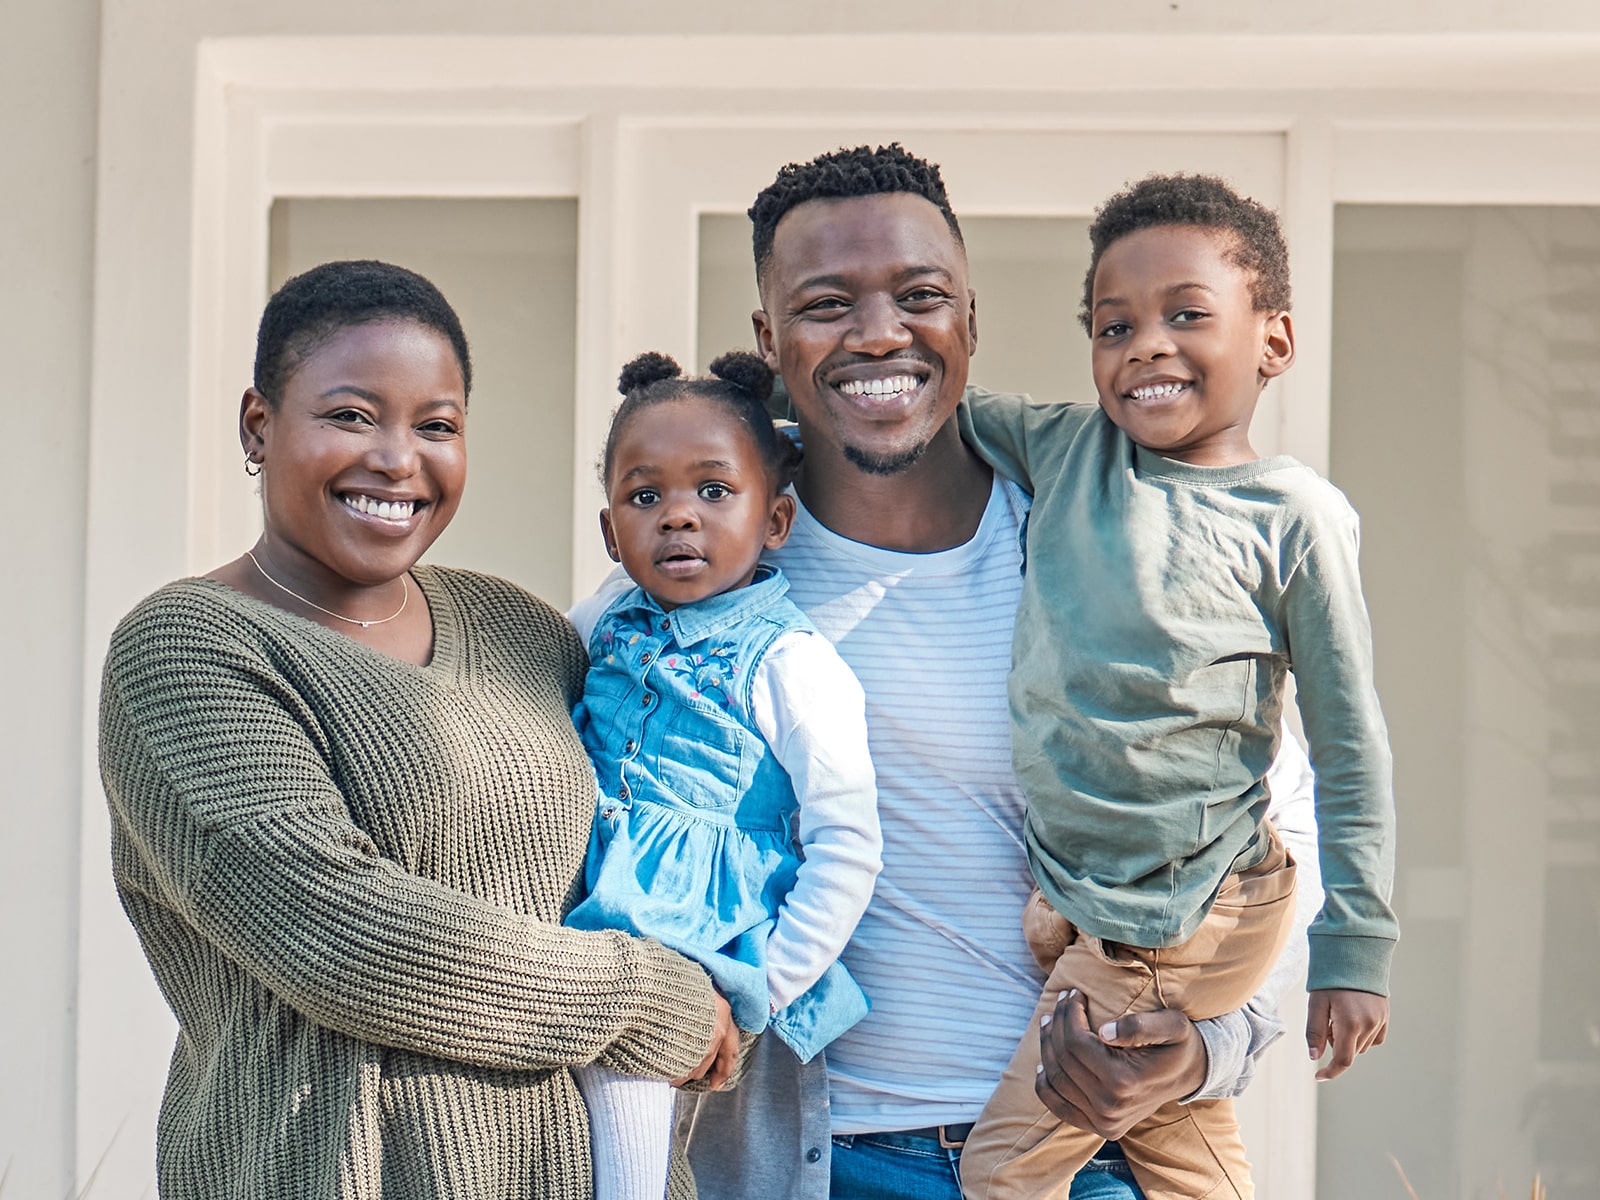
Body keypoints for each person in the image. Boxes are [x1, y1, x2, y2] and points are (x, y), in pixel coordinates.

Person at [676, 144, 1325, 1200]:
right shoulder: (696, 585)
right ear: (770, 339)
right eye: (826, 303)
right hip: (816, 1163)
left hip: (1097, 1156)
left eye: (919, 296)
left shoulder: (1118, 551)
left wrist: (1207, 1046)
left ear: (969, 319)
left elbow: (1278, 837)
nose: (879, 333)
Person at [97, 260, 736, 1200]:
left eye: (437, 426)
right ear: (258, 426)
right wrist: (649, 998)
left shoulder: (523, 630)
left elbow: (666, 818)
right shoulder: (184, 648)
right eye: (351, 415)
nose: (399, 459)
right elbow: (345, 933)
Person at [954, 176, 1397, 1200]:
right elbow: (928, 405)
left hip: (1186, 907)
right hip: (1084, 897)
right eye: (1114, 326)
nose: (1145, 345)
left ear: (1272, 343)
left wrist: (1355, 948)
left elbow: (1347, 743)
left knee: (1002, 1173)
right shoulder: (1065, 450)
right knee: (1178, 1148)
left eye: (1186, 315)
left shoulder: (1291, 517)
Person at [564, 350, 883, 1199]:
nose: (678, 518)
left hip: (709, 933)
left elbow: (848, 847)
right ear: (609, 532)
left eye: (714, 491)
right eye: (645, 497)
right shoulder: (600, 618)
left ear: (775, 520)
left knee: (692, 1151)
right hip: (589, 911)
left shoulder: (792, 662)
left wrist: (761, 988)